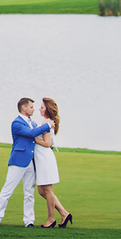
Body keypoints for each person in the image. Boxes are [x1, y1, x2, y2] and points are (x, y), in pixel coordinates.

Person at [0, 97, 54, 228]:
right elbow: (31, 134)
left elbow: (37, 138)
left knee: (29, 192)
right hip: (18, 161)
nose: (33, 109)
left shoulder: (34, 124)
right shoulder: (17, 123)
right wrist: (47, 125)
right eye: (31, 107)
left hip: (30, 162)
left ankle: (29, 221)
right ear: (23, 108)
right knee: (7, 189)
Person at [33, 97, 72, 228]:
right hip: (41, 159)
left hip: (45, 159)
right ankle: (64, 213)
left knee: (48, 191)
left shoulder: (47, 122)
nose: (39, 108)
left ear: (47, 110)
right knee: (41, 191)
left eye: (42, 107)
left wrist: (33, 138)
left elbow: (47, 143)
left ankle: (51, 219)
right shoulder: (46, 122)